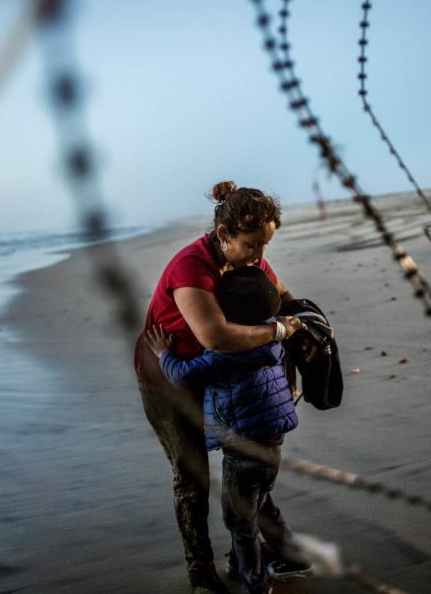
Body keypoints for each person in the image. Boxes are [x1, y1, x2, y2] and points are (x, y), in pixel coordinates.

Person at [134, 181, 303, 594]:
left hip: (221, 381)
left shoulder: (251, 264)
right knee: (192, 478)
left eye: (265, 245)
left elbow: (284, 300)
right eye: (251, 245)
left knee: (243, 472)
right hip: (170, 378)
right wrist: (278, 330)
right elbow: (218, 338)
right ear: (224, 235)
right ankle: (201, 572)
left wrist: (304, 333)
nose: (260, 257)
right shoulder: (190, 267)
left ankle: (268, 551)